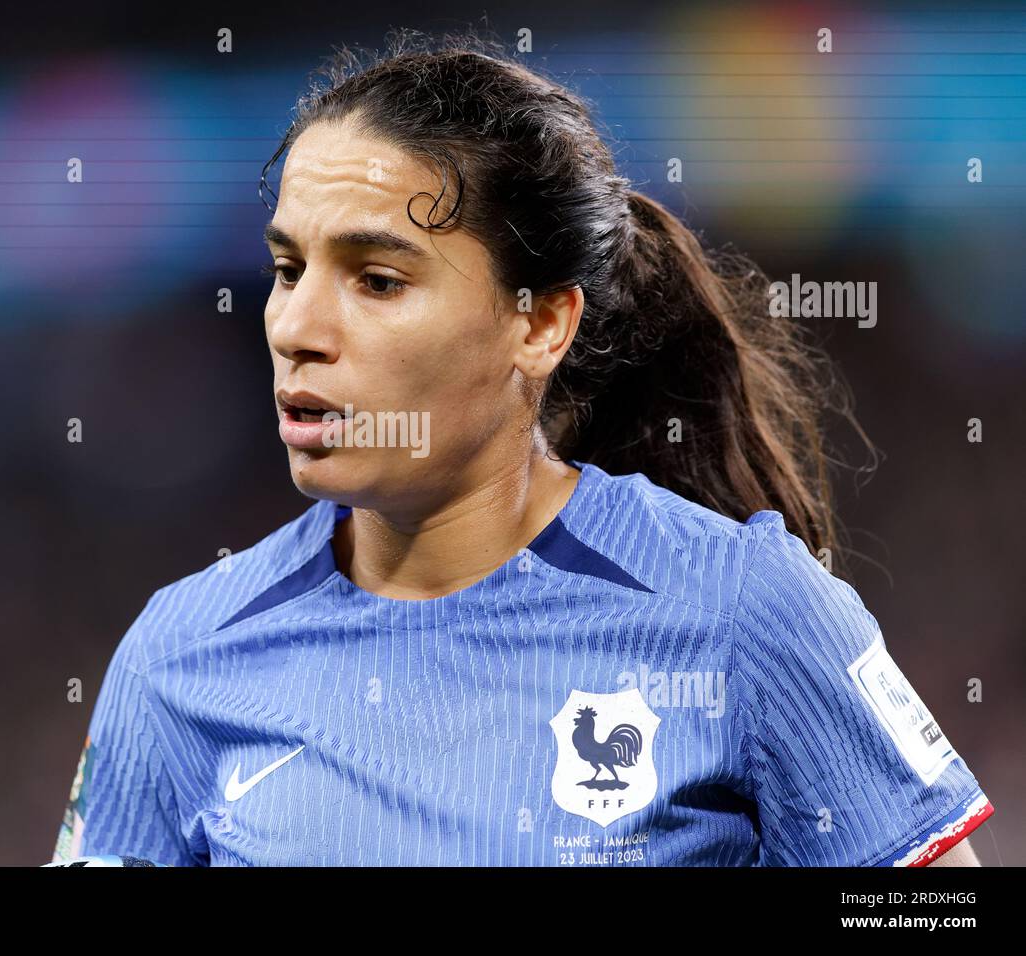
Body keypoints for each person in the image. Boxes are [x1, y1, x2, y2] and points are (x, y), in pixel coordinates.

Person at [53, 30, 992, 866]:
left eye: (377, 280)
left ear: (539, 323)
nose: (297, 325)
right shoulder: (182, 656)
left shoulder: (746, 611)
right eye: (288, 269)